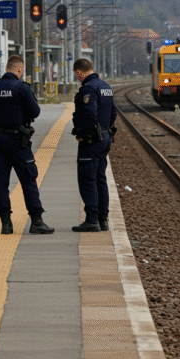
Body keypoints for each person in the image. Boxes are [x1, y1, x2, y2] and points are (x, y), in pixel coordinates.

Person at [0, 55, 55, 235]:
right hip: (17, 141)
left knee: (1, 182)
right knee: (28, 179)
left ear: (7, 68)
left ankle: (6, 223)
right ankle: (36, 221)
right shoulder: (21, 88)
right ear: (19, 69)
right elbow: (35, 112)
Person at [71, 58, 117, 232]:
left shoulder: (89, 88)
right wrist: (107, 128)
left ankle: (91, 219)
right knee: (100, 178)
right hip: (104, 136)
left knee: (87, 179)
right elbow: (113, 112)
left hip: (91, 140)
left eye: (76, 75)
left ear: (79, 72)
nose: (77, 78)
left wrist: (81, 135)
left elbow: (90, 114)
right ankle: (103, 219)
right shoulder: (105, 87)